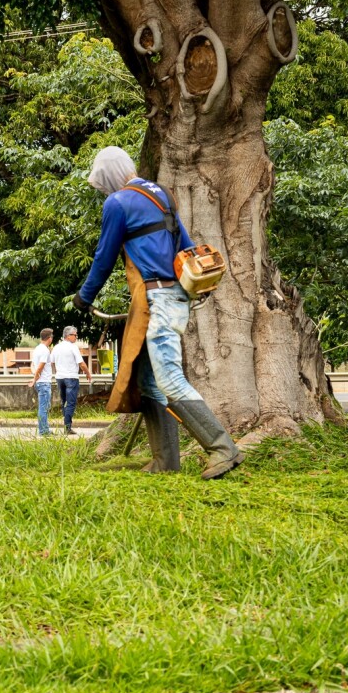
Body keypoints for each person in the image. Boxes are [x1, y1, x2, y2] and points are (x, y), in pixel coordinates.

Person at [72, 146, 242, 479]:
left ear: (108, 175)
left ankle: (223, 448)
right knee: (149, 381)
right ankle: (165, 461)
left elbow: (104, 256)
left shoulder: (117, 203)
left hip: (158, 300)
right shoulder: (161, 195)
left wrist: (85, 296)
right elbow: (186, 244)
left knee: (169, 379)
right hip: (173, 295)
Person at [52, 325, 93, 435]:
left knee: (64, 402)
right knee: (70, 403)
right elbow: (81, 363)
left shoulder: (56, 347)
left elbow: (52, 362)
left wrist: (57, 371)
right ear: (68, 336)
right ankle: (67, 427)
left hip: (60, 378)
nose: (76, 337)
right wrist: (88, 373)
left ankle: (66, 425)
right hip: (71, 378)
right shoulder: (72, 347)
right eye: (75, 335)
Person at [27, 328, 55, 437]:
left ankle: (45, 429)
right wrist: (35, 379)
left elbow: (33, 365)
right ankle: (43, 431)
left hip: (41, 382)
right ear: (49, 338)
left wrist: (35, 378)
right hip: (43, 383)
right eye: (52, 337)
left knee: (44, 407)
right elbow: (40, 366)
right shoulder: (44, 350)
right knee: (43, 408)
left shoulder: (37, 349)